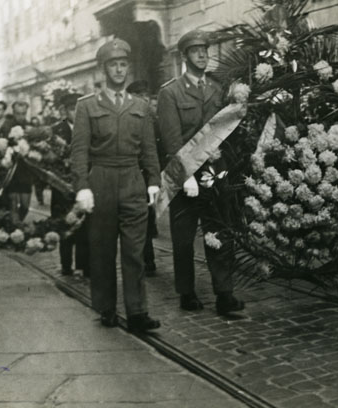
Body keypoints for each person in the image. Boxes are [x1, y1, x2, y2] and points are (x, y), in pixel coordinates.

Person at [71, 38, 161, 333]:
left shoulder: (141, 106)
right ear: (103, 69)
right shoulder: (87, 106)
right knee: (102, 250)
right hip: (102, 180)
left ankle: (137, 312)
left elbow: (149, 149)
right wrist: (82, 186)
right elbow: (79, 151)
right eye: (113, 65)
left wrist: (153, 181)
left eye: (123, 64)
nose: (119, 70)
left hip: (133, 181)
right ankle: (106, 307)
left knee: (135, 251)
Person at [157, 29, 245, 316]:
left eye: (205, 51)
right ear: (184, 56)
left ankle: (224, 293)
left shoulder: (217, 89)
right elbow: (171, 141)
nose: (202, 55)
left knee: (220, 231)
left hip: (216, 171)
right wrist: (186, 176)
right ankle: (187, 292)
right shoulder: (170, 92)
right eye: (196, 51)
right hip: (185, 173)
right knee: (183, 238)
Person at [51, 93, 90, 277]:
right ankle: (66, 264)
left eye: (80, 109)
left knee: (85, 225)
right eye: (73, 109)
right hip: (62, 186)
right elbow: (48, 158)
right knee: (64, 224)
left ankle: (83, 265)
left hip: (84, 183)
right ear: (65, 111)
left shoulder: (91, 127)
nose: (76, 113)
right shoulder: (55, 130)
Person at [126, 80, 159, 276]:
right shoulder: (127, 119)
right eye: (140, 96)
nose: (144, 99)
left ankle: (148, 258)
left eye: (146, 95)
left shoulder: (154, 118)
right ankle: (145, 259)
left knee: (147, 217)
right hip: (133, 174)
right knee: (137, 219)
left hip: (149, 174)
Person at [3, 101, 34, 223]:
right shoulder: (7, 125)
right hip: (11, 171)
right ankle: (13, 228)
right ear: (13, 112)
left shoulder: (30, 126)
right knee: (13, 204)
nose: (21, 116)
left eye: (23, 113)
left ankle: (16, 225)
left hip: (26, 171)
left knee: (25, 206)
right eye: (18, 113)